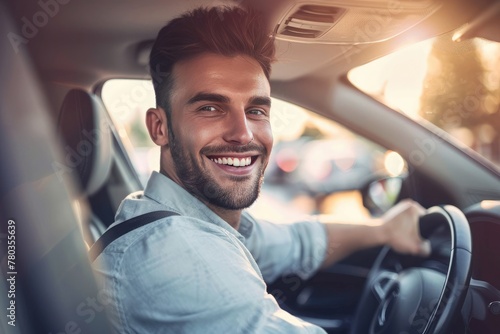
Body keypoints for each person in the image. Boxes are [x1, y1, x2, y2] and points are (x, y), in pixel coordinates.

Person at [92, 6, 430, 333]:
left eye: (256, 110)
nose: (243, 134)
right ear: (159, 127)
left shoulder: (188, 216)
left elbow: (298, 242)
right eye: (210, 107)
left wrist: (385, 230)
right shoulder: (175, 254)